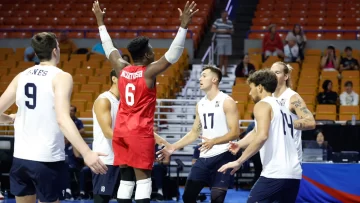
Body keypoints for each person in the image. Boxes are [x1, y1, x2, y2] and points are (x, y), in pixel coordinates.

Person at [92, 1, 198, 203]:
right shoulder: (148, 72)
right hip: (140, 133)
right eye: (152, 50)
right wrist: (183, 26)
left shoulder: (122, 68)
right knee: (143, 181)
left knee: (126, 180)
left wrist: (100, 22)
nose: (154, 53)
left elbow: (109, 47)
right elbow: (173, 55)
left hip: (121, 132)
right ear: (147, 54)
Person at [0, 32, 107, 203]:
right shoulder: (61, 77)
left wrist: (10, 118)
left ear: (36, 53)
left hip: (20, 159)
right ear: (56, 50)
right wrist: (87, 152)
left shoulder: (21, 76)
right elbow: (63, 119)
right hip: (46, 160)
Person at [157, 65, 240, 203]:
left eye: (204, 75)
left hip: (224, 155)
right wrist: (173, 147)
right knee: (188, 197)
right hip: (204, 157)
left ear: (214, 79)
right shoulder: (200, 104)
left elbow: (235, 132)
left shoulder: (227, 101)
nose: (200, 78)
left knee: (217, 199)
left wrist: (214, 141)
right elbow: (194, 132)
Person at [218, 69, 302, 203]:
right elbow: (257, 132)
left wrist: (239, 161)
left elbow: (262, 136)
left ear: (260, 87)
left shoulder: (262, 105)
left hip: (276, 173)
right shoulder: (282, 107)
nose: (250, 93)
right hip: (294, 173)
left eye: (251, 88)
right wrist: (240, 144)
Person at [270, 61, 316, 163]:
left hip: (290, 160)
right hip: (272, 157)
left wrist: (285, 123)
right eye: (271, 72)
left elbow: (311, 122)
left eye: (277, 72)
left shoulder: (293, 97)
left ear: (285, 76)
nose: (273, 75)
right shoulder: (268, 97)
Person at [92, 69, 121, 203]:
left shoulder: (124, 102)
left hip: (122, 158)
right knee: (101, 200)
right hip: (106, 159)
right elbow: (108, 132)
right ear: (114, 79)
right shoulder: (104, 100)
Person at [211, 10, 234, 76]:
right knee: (221, 55)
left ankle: (225, 72)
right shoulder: (217, 21)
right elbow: (212, 29)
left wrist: (228, 31)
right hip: (220, 40)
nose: (225, 16)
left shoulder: (229, 22)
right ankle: (220, 71)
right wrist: (221, 31)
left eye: (226, 15)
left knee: (226, 56)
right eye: (224, 15)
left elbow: (232, 31)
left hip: (228, 40)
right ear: (221, 15)